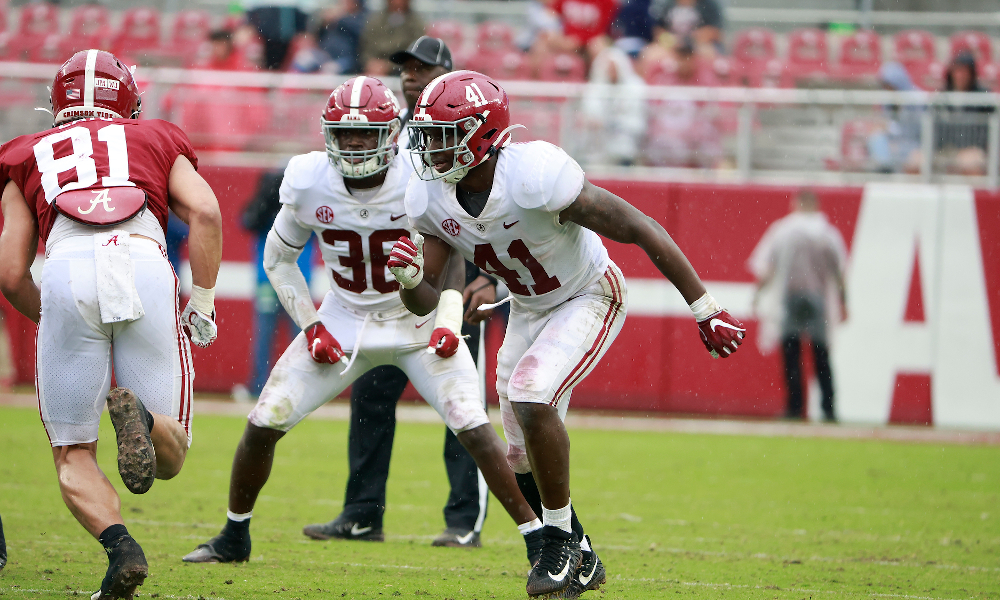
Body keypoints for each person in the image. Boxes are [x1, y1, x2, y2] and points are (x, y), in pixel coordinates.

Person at [389, 70, 746, 598]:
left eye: (445, 134)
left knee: (533, 395)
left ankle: (556, 544)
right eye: (429, 135)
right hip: (529, 309)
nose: (432, 150)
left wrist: (705, 307)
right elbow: (428, 298)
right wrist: (409, 278)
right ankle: (582, 553)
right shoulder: (429, 194)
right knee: (518, 458)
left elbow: (641, 227)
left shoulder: (534, 173)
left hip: (589, 294)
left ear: (483, 135)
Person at [182, 76, 542, 566]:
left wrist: (447, 316)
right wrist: (312, 326)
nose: (352, 144)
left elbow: (455, 254)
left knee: (473, 426)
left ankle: (538, 540)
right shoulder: (310, 180)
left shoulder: (421, 178)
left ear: (392, 134)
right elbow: (277, 259)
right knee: (264, 422)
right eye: (343, 133)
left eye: (364, 134)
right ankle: (233, 535)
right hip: (345, 314)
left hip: (414, 321)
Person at [0, 49, 222, 599]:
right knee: (170, 457)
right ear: (129, 103)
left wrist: (54, 314)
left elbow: (9, 272)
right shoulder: (155, 136)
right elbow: (208, 213)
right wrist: (205, 300)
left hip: (67, 266)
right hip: (143, 260)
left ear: (57, 103)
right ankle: (143, 420)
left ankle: (121, 548)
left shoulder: (25, 153)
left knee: (73, 452)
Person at [304, 36, 500, 548]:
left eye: (424, 67)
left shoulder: (464, 131)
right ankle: (362, 513)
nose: (411, 75)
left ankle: (464, 521)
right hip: (390, 300)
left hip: (452, 292)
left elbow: (487, 210)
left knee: (461, 411)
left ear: (448, 71)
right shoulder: (381, 128)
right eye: (406, 67)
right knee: (369, 399)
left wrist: (489, 276)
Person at [748, 189, 847, 422]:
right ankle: (828, 408)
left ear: (796, 204)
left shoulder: (784, 230)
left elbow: (767, 266)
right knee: (821, 354)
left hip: (790, 297)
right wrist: (844, 302)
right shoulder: (827, 233)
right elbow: (839, 272)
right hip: (818, 299)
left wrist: (757, 294)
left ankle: (794, 407)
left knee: (791, 354)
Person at [239, 169, 315, 397]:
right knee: (288, 336)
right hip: (290, 282)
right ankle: (286, 386)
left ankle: (273, 386)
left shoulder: (296, 211)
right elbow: (246, 221)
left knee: (287, 336)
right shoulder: (296, 210)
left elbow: (246, 222)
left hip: (281, 282)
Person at [358, 0, 425, 76]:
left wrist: (389, 66)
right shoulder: (375, 20)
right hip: (374, 68)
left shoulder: (416, 23)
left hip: (402, 71)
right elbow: (366, 46)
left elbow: (414, 52)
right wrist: (370, 63)